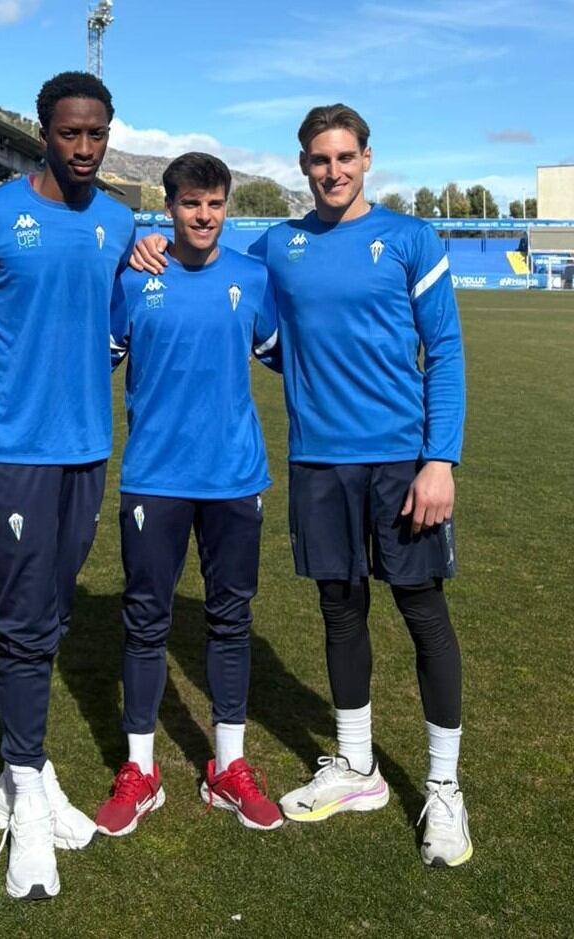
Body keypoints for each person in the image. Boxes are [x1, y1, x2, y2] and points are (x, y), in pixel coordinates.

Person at [131, 104, 470, 868]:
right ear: (303, 165)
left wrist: (440, 458)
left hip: (402, 460)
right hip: (319, 460)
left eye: (345, 157)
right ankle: (357, 766)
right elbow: (207, 251)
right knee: (340, 612)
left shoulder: (411, 239)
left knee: (423, 613)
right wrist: (142, 240)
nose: (333, 171)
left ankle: (444, 786)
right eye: (320, 159)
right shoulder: (279, 247)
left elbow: (445, 351)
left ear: (367, 159)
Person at [0, 71, 136, 900]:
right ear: (42, 132)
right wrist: (11, 380)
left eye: (97, 134)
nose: (84, 148)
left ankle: (23, 773)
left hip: (87, 447)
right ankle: (26, 799)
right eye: (70, 133)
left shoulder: (120, 222)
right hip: (14, 451)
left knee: (52, 612)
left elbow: (119, 329)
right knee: (25, 622)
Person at [93, 152, 283, 838]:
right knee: (146, 621)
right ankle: (140, 770)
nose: (204, 216)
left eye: (215, 203)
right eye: (191, 203)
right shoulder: (134, 276)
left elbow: (287, 355)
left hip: (235, 477)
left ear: (226, 207)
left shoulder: (252, 278)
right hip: (155, 478)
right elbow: (95, 361)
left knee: (231, 619)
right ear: (169, 207)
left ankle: (228, 766)